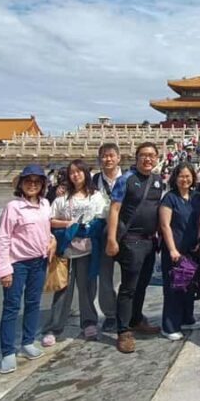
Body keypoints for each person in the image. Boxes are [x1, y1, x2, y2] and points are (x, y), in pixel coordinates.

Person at [0, 165, 57, 374]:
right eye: (28, 181)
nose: (32, 185)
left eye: (37, 182)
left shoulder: (45, 204)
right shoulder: (13, 207)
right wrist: (4, 269)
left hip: (38, 262)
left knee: (33, 302)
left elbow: (46, 229)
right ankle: (7, 352)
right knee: (11, 306)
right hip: (17, 263)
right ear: (21, 184)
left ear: (42, 185)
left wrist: (52, 240)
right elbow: (3, 238)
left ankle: (28, 341)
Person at [106, 142, 164, 354]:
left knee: (142, 284)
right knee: (129, 287)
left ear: (157, 158)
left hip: (150, 241)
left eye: (151, 155)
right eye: (143, 155)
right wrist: (112, 240)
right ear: (136, 158)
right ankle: (124, 330)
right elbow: (114, 209)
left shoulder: (158, 181)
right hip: (130, 241)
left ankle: (137, 319)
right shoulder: (126, 180)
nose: (147, 159)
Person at [42, 159, 107, 345]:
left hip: (88, 248)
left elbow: (102, 217)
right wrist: (68, 225)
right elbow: (51, 219)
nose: (76, 175)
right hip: (65, 249)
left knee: (87, 287)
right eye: (72, 172)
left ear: (86, 173)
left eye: (79, 171)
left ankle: (88, 322)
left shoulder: (96, 196)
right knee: (63, 288)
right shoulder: (61, 197)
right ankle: (54, 327)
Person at [158, 162, 200, 340]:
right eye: (181, 176)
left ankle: (187, 318)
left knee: (188, 287)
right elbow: (165, 225)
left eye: (188, 176)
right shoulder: (169, 198)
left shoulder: (196, 197)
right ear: (175, 178)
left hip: (191, 249)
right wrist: (172, 249)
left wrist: (199, 239)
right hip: (175, 250)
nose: (185, 179)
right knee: (174, 289)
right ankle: (169, 326)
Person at [92, 143, 123, 333]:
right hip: (102, 229)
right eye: (104, 156)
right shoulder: (93, 180)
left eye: (112, 155)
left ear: (119, 158)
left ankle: (131, 312)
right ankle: (110, 314)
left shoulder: (128, 179)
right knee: (105, 276)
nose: (108, 159)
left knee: (130, 275)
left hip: (125, 229)